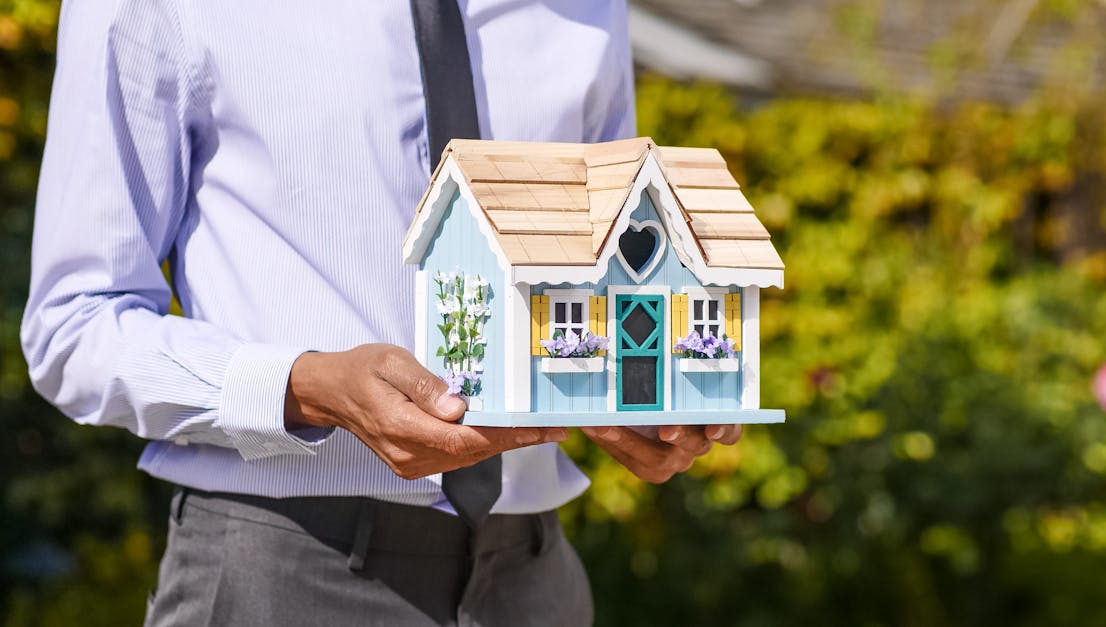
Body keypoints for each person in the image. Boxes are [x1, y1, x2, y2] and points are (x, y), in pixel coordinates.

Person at [21, 0, 741, 625]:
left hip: (533, 580)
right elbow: (73, 322)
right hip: (281, 577)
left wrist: (652, 397)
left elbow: (607, 265)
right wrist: (303, 387)